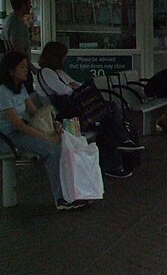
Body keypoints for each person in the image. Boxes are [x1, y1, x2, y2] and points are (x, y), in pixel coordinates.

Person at [36, 41, 143, 178]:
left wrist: (74, 86)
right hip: (65, 117)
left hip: (73, 112)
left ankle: (113, 163)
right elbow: (65, 90)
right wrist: (72, 86)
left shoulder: (59, 72)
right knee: (109, 109)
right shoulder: (46, 72)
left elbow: (77, 85)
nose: (65, 59)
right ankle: (120, 146)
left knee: (106, 122)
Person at [0, 51, 83, 210]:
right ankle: (61, 199)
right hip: (7, 138)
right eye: (22, 67)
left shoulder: (21, 88)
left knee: (59, 146)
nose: (27, 70)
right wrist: (46, 137)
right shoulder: (3, 92)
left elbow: (35, 114)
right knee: (52, 150)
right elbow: (19, 125)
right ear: (11, 71)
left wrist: (53, 125)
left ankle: (70, 191)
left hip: (19, 133)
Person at [2, 0, 36, 92]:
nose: (30, 6)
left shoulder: (9, 20)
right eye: (28, 3)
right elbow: (19, 50)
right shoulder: (17, 25)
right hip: (19, 68)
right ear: (21, 5)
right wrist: (32, 68)